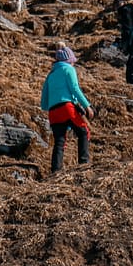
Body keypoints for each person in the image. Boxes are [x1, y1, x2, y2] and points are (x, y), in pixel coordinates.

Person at [40, 42, 94, 173]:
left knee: (59, 141)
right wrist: (87, 106)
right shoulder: (69, 69)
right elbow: (74, 88)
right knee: (83, 132)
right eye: (72, 61)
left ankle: (56, 170)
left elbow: (43, 99)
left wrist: (51, 106)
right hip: (67, 108)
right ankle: (84, 163)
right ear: (69, 60)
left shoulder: (51, 74)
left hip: (53, 112)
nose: (73, 64)